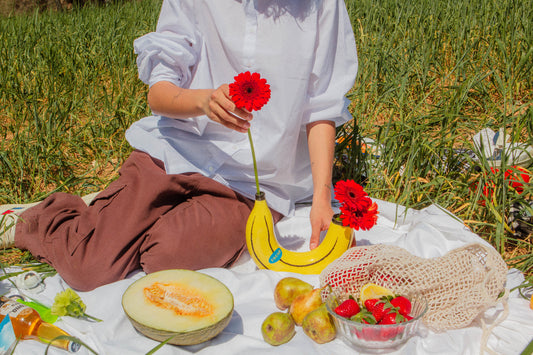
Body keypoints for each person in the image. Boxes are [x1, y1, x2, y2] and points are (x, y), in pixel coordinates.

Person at [0, 0, 358, 291]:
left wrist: (322, 198)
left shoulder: (321, 6)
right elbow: (159, 93)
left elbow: (321, 108)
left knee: (162, 259)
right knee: (88, 268)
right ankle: (43, 218)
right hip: (177, 150)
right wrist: (203, 102)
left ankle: (112, 213)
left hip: (253, 184)